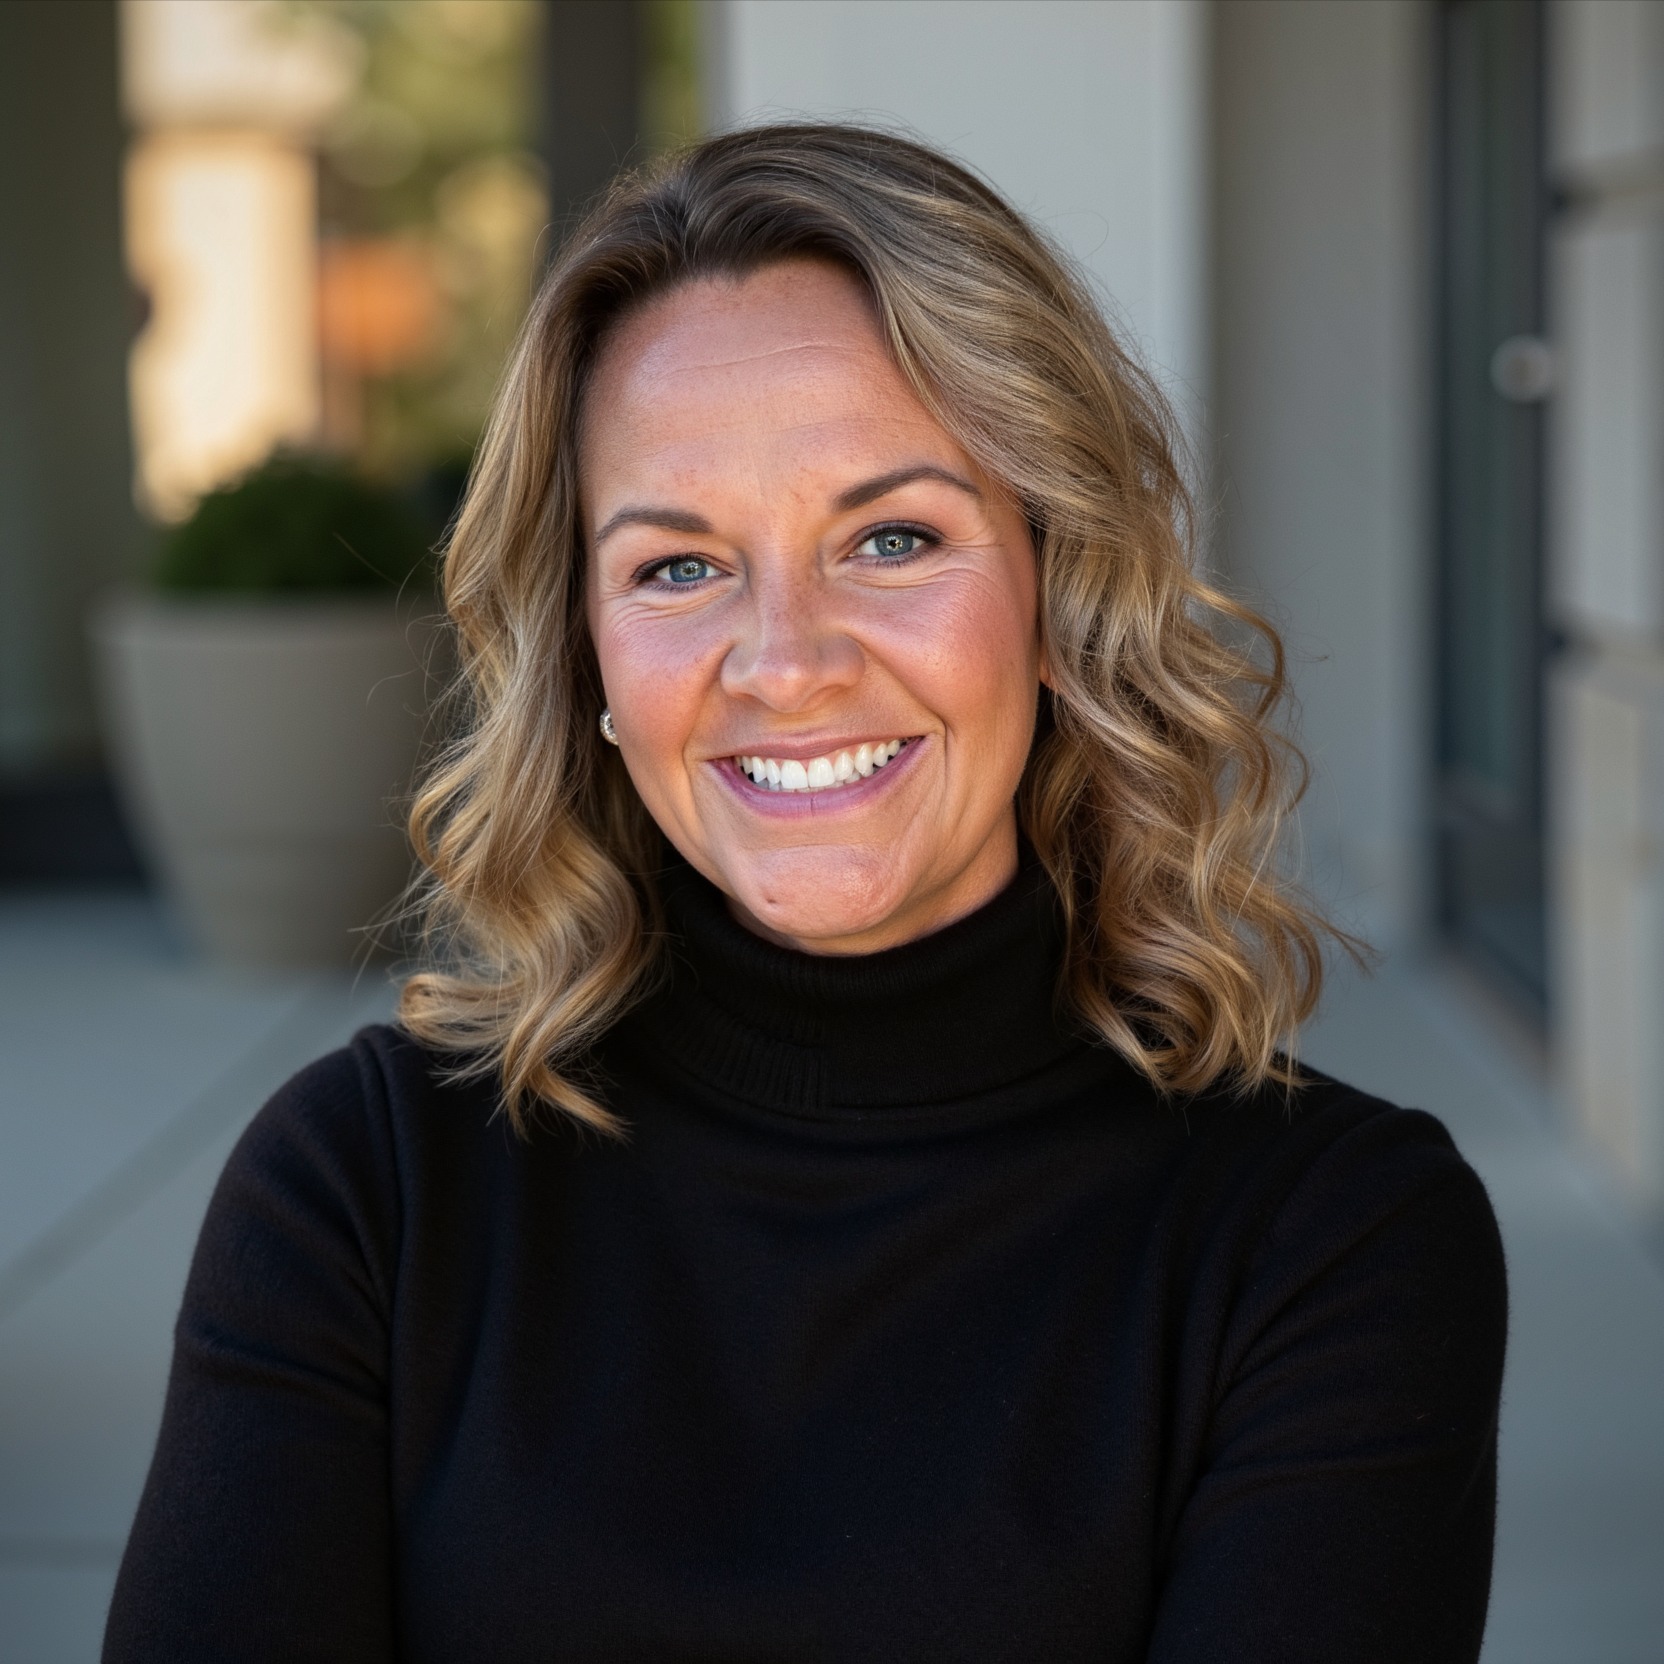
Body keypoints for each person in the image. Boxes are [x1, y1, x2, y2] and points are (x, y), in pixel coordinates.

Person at [105, 124, 1507, 1663]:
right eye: (678, 567)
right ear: (587, 663)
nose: (786, 663)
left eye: (891, 538)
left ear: (1062, 590)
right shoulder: (367, 1190)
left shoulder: (1333, 1244)